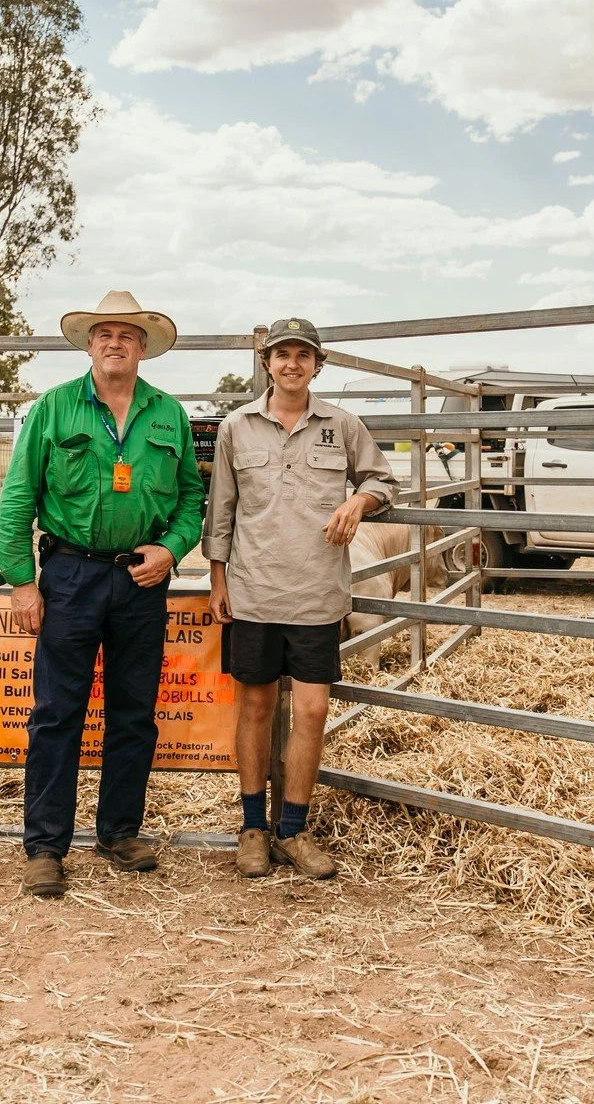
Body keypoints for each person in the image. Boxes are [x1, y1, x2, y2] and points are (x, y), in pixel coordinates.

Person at [0, 289, 206, 899]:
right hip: (70, 576)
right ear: (89, 345)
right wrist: (23, 582)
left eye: (128, 336)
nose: (116, 344)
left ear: (144, 348)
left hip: (142, 577)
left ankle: (118, 831)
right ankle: (45, 846)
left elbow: (191, 497)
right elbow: (17, 497)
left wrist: (171, 549)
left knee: (134, 712)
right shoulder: (54, 409)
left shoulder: (168, 414)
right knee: (58, 712)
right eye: (104, 334)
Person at [204, 317, 396, 879]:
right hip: (254, 591)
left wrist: (358, 503)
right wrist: (219, 581)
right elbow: (221, 512)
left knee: (311, 710)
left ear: (318, 365)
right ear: (267, 363)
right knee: (257, 708)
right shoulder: (237, 426)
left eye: (303, 355)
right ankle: (252, 829)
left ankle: (294, 830)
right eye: (282, 354)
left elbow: (384, 480)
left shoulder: (343, 424)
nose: (292, 364)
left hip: (317, 595)